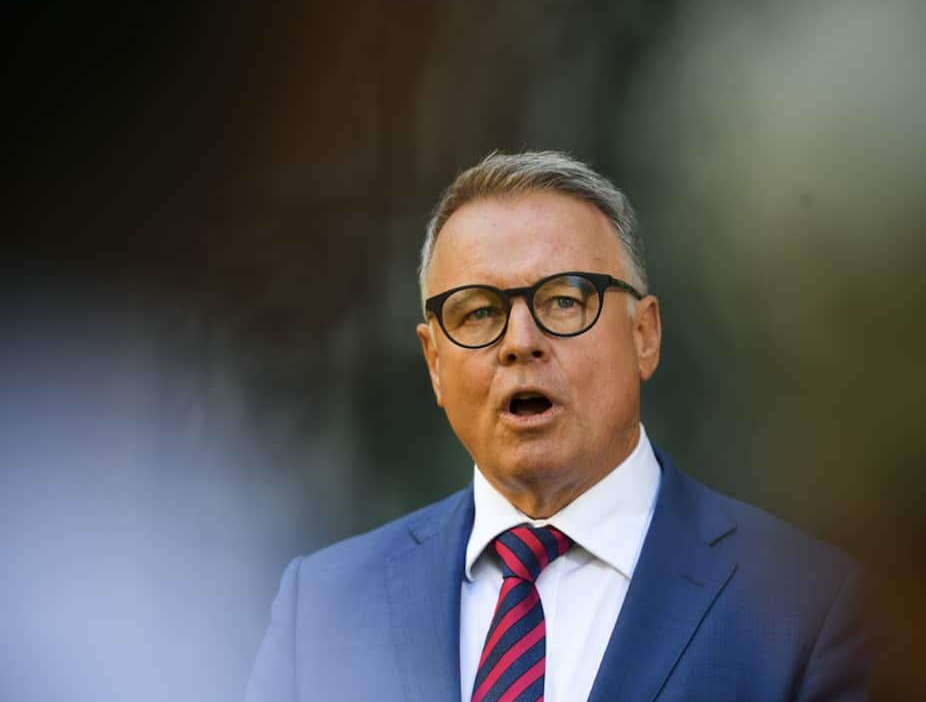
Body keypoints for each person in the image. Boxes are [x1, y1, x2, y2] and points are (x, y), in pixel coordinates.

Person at [245, 151, 871, 701]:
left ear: (645, 335)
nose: (521, 342)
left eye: (564, 301)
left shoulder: (805, 607)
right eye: (478, 311)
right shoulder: (324, 606)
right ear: (434, 363)